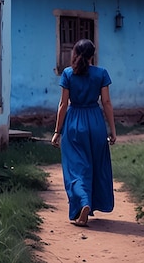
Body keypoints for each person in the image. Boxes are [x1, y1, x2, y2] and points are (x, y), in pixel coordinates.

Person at [51, 39, 117, 226]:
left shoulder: (68, 74)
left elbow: (63, 104)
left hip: (74, 124)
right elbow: (106, 103)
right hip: (95, 122)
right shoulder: (101, 74)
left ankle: (83, 203)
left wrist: (57, 131)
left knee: (76, 168)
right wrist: (112, 130)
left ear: (75, 53)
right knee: (94, 165)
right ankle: (88, 204)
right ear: (92, 56)